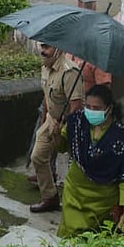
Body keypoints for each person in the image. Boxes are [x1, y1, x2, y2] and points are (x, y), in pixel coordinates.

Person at [56, 84, 124, 237]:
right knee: (68, 237)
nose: (91, 111)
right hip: (74, 193)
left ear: (109, 109)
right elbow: (62, 147)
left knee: (95, 241)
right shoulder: (77, 122)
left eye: (96, 108)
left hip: (102, 202)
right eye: (88, 106)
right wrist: (55, 134)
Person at [28, 43, 84, 213]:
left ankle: (77, 203)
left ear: (59, 49)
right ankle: (50, 197)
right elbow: (47, 96)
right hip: (51, 121)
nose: (43, 51)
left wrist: (66, 127)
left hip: (70, 124)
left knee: (75, 165)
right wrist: (45, 118)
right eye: (42, 47)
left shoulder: (70, 72)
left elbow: (77, 106)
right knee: (37, 156)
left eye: (47, 47)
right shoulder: (46, 66)